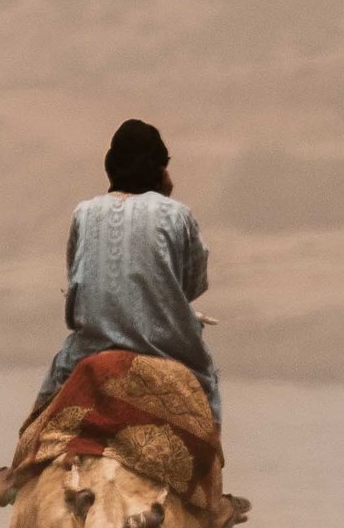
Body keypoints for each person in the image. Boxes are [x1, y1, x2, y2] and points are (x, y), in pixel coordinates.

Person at [29, 117, 221, 428]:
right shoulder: (178, 214)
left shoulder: (84, 212)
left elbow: (76, 278)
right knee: (207, 387)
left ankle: (21, 467)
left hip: (91, 347)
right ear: (161, 170)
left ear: (111, 168)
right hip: (164, 349)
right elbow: (192, 284)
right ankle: (209, 461)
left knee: (45, 410)